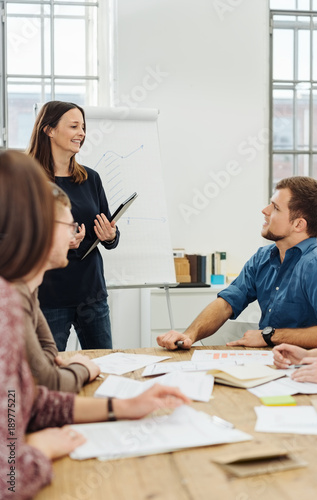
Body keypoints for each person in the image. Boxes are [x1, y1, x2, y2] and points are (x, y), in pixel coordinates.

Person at [0, 150, 190, 500]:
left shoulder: (20, 294)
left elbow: (29, 399)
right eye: (68, 224)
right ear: (35, 225)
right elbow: (7, 478)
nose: (76, 233)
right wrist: (38, 450)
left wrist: (123, 407)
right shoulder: (6, 304)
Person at [157, 176, 317, 350]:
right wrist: (189, 335)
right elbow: (226, 304)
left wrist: (269, 336)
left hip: (304, 370)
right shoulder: (262, 257)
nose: (265, 210)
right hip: (267, 362)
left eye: (276, 208)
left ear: (298, 224)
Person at [27, 100, 120, 351]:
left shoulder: (90, 178)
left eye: (83, 127)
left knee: (104, 366)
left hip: (92, 294)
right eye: (74, 126)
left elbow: (111, 234)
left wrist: (109, 235)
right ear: (49, 130)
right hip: (49, 297)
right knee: (48, 372)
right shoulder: (28, 179)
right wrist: (55, 242)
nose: (82, 133)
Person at [13, 184, 100, 392]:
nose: (74, 237)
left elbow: (50, 353)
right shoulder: (13, 295)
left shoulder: (28, 288)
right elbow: (48, 381)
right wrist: (82, 368)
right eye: (69, 226)